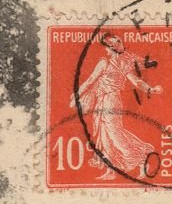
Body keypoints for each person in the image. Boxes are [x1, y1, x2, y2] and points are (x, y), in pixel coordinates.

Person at [70, 33, 163, 180]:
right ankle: (110, 171)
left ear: (110, 48)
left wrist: (150, 90)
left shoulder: (112, 63)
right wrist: (150, 90)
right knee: (104, 136)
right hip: (102, 101)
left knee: (114, 134)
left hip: (111, 100)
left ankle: (141, 158)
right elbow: (91, 81)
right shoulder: (114, 63)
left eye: (109, 46)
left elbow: (91, 81)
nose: (108, 49)